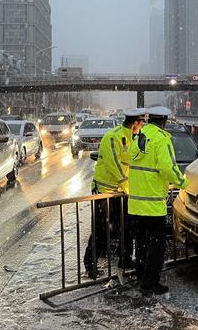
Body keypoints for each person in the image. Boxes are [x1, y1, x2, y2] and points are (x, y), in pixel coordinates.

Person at [128, 106, 188, 294]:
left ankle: (141, 276)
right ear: (164, 121)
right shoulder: (162, 139)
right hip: (153, 204)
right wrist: (183, 183)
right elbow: (166, 167)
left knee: (142, 243)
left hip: (135, 203)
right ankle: (150, 282)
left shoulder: (139, 135)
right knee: (156, 246)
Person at [83, 108, 147, 278]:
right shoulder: (114, 136)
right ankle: (90, 265)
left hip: (122, 193)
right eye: (141, 123)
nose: (142, 126)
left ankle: (125, 259)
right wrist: (128, 187)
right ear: (135, 123)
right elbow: (115, 166)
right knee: (102, 230)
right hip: (106, 192)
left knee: (127, 228)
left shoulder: (135, 138)